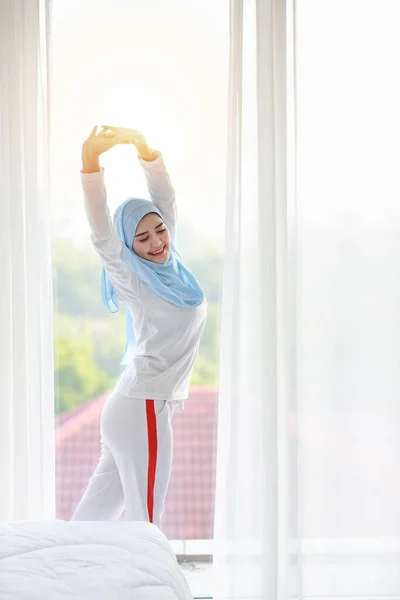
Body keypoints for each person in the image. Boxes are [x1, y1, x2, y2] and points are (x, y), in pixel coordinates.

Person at [70, 125, 207, 528]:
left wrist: (147, 152)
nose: (157, 241)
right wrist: (90, 163)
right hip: (142, 406)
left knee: (90, 522)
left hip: (134, 405)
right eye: (142, 238)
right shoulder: (135, 279)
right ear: (131, 246)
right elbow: (101, 236)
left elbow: (165, 199)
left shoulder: (172, 268)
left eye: (160, 229)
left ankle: (66, 582)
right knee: (147, 517)